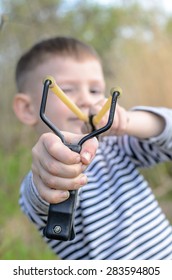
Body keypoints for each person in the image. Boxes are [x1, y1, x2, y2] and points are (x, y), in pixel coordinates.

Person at [13, 36, 172, 260]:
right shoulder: (43, 172)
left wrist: (126, 121)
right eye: (66, 90)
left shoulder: (117, 148)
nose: (86, 101)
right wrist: (48, 174)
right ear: (28, 109)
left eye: (96, 91)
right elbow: (39, 196)